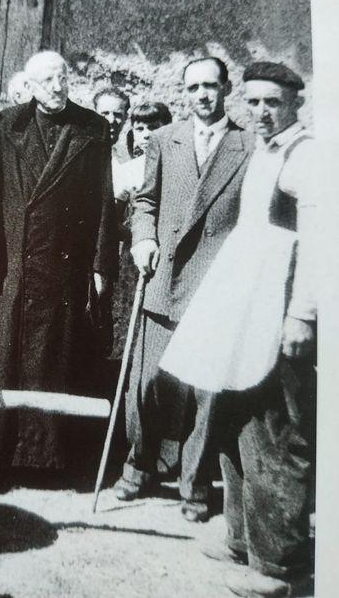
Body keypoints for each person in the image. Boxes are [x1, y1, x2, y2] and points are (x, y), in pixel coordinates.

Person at [158, 62, 316, 597]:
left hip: (279, 311)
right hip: (242, 308)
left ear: (296, 103)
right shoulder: (262, 151)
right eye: (253, 102)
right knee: (233, 420)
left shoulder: (307, 157)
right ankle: (242, 538)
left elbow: (320, 247)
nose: (262, 112)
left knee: (276, 432)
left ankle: (279, 567)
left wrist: (302, 315)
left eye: (273, 102)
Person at [113, 57, 255, 523]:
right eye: (193, 88)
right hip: (164, 277)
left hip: (216, 285)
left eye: (210, 86)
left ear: (226, 88)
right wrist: (143, 238)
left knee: (205, 394)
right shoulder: (163, 139)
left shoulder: (247, 145)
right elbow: (145, 201)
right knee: (147, 384)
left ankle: (195, 485)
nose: (202, 95)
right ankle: (139, 465)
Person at [0, 50, 118, 476]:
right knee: (9, 357)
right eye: (48, 81)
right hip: (19, 267)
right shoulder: (8, 125)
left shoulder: (91, 128)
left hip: (66, 270)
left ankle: (48, 460)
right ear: (30, 85)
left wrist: (101, 265)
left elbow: (104, 203)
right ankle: (2, 454)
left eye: (63, 78)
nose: (58, 87)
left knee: (56, 358)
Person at [111, 102, 173, 360]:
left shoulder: (177, 166)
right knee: (131, 314)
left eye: (154, 127)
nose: (147, 134)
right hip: (134, 256)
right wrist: (138, 236)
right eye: (140, 129)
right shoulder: (130, 170)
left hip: (170, 251)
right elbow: (112, 220)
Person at [93, 87, 131, 156]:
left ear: (125, 118)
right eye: (105, 113)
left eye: (117, 115)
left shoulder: (125, 156)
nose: (111, 120)